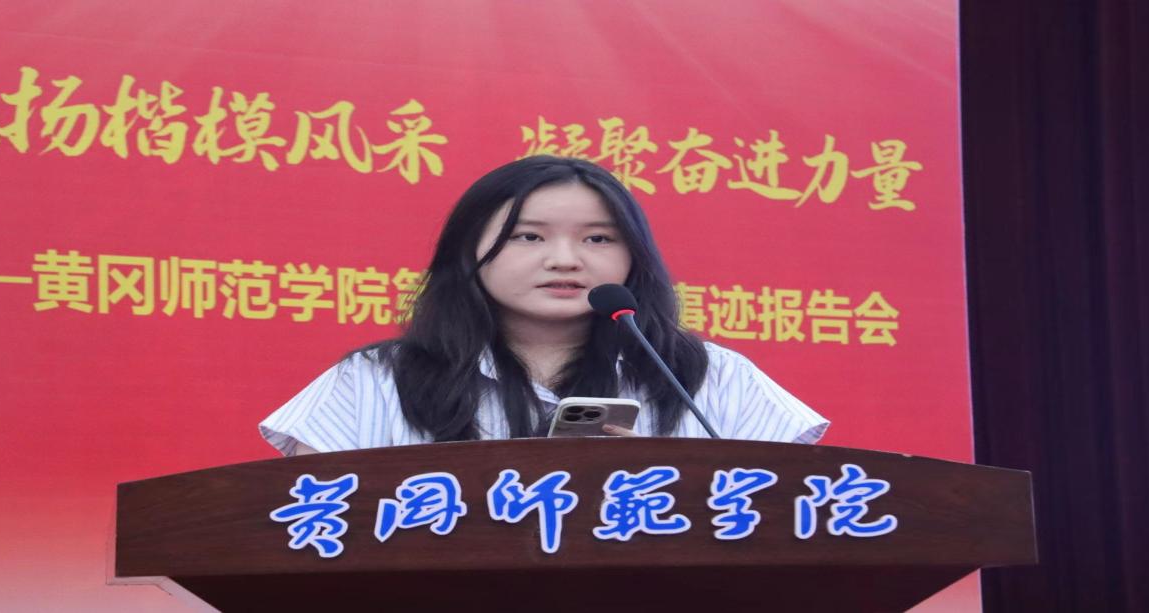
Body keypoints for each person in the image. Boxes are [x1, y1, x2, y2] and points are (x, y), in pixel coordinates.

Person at [260, 156, 828, 455]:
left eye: (598, 239)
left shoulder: (710, 378)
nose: (565, 260)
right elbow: (310, 526)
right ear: (467, 251)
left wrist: (675, 488)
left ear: (634, 256)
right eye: (528, 237)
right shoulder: (373, 381)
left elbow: (789, 515)